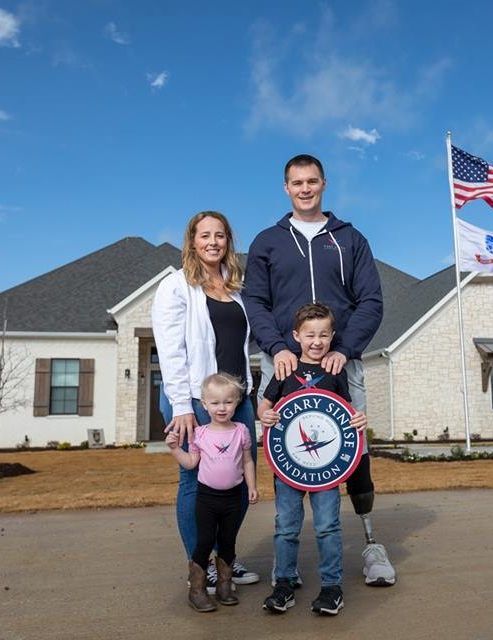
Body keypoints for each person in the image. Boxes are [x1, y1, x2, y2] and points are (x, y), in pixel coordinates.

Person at [243, 154, 396, 587]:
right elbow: (255, 301)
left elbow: (371, 301)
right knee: (288, 454)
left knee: (353, 448)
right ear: (286, 188)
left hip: (338, 361)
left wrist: (345, 349)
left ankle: (370, 544)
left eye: (312, 181)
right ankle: (286, 561)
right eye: (296, 182)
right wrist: (276, 346)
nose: (305, 188)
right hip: (285, 361)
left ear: (324, 184)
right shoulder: (267, 241)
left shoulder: (350, 239)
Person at [151, 210, 260, 593]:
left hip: (239, 398)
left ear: (228, 241)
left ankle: (224, 558)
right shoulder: (176, 286)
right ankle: (201, 565)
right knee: (195, 482)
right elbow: (170, 350)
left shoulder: (237, 286)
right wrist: (181, 404)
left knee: (241, 477)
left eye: (220, 235)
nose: (212, 241)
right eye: (204, 235)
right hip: (194, 401)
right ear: (192, 241)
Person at [258, 303, 367, 616]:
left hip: (326, 469)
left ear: (332, 336)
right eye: (310, 335)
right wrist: (266, 416)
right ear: (296, 336)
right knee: (286, 527)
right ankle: (284, 585)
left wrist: (359, 420)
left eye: (323, 335)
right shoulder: (285, 369)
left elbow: (347, 414)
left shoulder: (336, 371)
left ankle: (332, 588)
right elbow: (264, 406)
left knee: (327, 527)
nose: (317, 341)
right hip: (289, 464)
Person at [167, 373, 258, 612]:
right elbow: (190, 463)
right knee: (205, 541)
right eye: (215, 403)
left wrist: (252, 486)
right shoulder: (201, 434)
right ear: (204, 405)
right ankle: (196, 590)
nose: (222, 407)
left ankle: (224, 586)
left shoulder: (241, 431)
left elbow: (248, 461)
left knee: (228, 542)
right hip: (206, 499)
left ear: (237, 402)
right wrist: (176, 449)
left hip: (233, 498)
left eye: (228, 402)